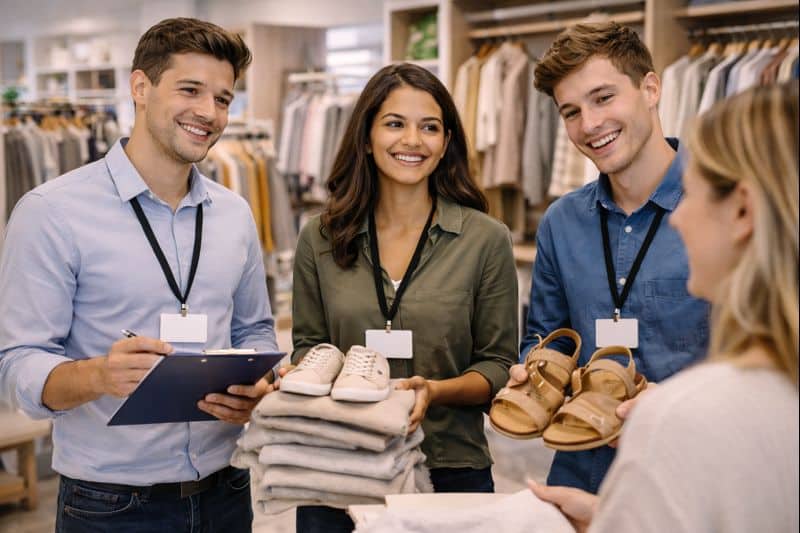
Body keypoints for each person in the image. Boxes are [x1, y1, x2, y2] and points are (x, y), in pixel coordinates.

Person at [0, 18, 278, 533]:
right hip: (110, 508)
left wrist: (256, 383)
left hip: (228, 493)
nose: (208, 113)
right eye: (190, 90)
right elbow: (17, 365)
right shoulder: (51, 212)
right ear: (140, 87)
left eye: (222, 98)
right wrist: (98, 375)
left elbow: (255, 331)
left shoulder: (235, 213)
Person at [530, 80, 799, 533]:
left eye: (691, 195)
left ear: (742, 213)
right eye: (571, 111)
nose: (679, 216)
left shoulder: (684, 417)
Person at [288, 62, 518, 532]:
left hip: (450, 467)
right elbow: (307, 347)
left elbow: (497, 364)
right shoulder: (321, 237)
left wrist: (434, 392)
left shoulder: (485, 239)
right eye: (395, 123)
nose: (412, 140)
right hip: (337, 465)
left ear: (446, 141)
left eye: (429, 127)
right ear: (367, 136)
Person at [516, 22, 710, 492]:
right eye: (571, 112)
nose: (589, 125)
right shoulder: (561, 222)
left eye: (603, 98)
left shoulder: (723, 206)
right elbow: (547, 336)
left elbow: (772, 367)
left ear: (650, 88)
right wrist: (534, 368)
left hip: (695, 480)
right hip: (583, 473)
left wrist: (677, 404)